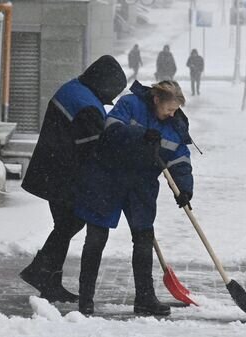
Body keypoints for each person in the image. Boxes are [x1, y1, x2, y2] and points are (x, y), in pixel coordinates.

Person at [73, 80, 194, 316]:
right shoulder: (130, 104)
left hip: (141, 186)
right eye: (169, 109)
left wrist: (184, 189)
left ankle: (145, 299)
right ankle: (85, 299)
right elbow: (111, 131)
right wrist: (140, 135)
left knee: (143, 238)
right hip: (108, 178)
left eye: (175, 110)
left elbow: (180, 160)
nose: (171, 114)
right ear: (156, 99)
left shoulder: (174, 125)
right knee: (96, 238)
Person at [19, 55, 127, 303]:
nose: (110, 100)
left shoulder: (75, 89)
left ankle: (46, 277)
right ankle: (42, 273)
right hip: (60, 175)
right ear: (103, 83)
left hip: (51, 170)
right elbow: (94, 149)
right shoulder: (86, 105)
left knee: (66, 224)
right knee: (70, 223)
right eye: (111, 92)